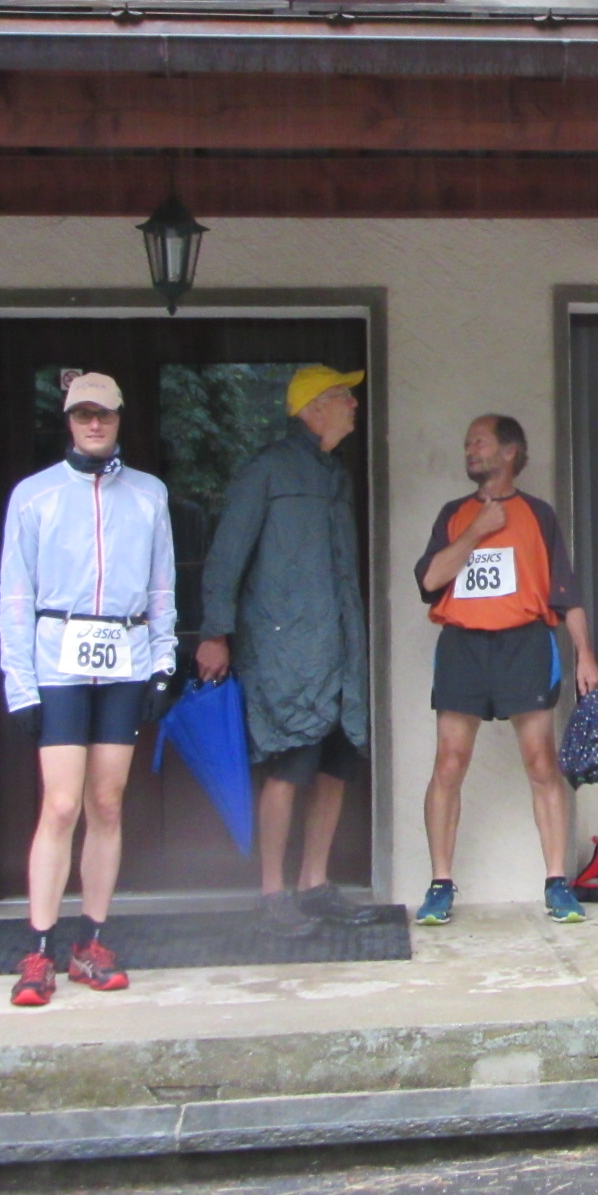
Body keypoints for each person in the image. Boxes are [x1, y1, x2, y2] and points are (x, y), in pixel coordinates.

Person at [0, 373, 176, 1007]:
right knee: (61, 805)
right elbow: (14, 594)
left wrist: (163, 663)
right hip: (58, 663)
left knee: (107, 802)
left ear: (121, 418)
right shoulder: (34, 495)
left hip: (124, 660)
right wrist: (20, 684)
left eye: (104, 414)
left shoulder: (149, 494)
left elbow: (161, 587)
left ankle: (91, 942)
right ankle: (38, 950)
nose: (94, 424)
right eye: (82, 415)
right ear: (68, 421)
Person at [196, 365, 377, 938]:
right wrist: (215, 632)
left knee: (336, 762)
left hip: (339, 649)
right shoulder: (269, 469)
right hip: (287, 652)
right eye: (343, 396)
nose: (354, 404)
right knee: (290, 763)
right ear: (313, 408)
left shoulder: (334, 473)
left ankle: (314, 885)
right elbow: (227, 554)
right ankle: (272, 893)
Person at [414, 414, 598, 926]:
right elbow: (430, 580)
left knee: (541, 762)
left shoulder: (538, 515)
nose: (469, 450)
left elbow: (566, 594)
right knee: (449, 762)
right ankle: (440, 883)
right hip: (463, 646)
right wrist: (477, 530)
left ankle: (557, 883)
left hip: (525, 644)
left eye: (479, 442)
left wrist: (585, 655)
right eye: (467, 443)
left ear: (509, 452)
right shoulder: (454, 514)